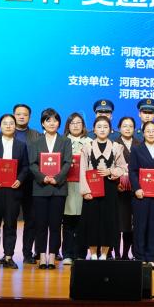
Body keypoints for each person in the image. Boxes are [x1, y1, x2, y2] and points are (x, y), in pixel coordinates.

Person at [0, 114, 30, 269]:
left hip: (13, 191)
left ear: (15, 126)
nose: (8, 126)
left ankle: (8, 257)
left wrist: (19, 180)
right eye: (5, 123)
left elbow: (25, 167)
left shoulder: (21, 145)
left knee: (10, 225)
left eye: (11, 123)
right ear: (0, 126)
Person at [27, 108, 73, 269]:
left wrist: (57, 178)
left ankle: (52, 256)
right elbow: (32, 163)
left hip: (58, 188)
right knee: (40, 225)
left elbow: (68, 162)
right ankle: (41, 256)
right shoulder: (35, 142)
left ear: (59, 123)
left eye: (55, 120)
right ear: (42, 123)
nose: (52, 123)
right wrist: (43, 177)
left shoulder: (65, 141)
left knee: (55, 225)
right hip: (40, 188)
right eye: (48, 120)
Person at [79, 116, 128, 260]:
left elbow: (122, 167)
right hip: (91, 189)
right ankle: (93, 253)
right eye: (99, 127)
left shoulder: (116, 147)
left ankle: (105, 254)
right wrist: (85, 191)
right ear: (93, 130)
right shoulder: (87, 147)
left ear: (110, 130)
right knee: (92, 220)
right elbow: (82, 170)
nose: (102, 129)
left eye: (105, 127)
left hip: (110, 188)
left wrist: (110, 171)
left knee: (109, 220)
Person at [130, 121, 154, 266]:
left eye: (153, 131)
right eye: (148, 131)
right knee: (140, 226)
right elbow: (132, 171)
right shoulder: (136, 149)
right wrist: (137, 188)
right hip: (141, 193)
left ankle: (151, 257)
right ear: (143, 133)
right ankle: (139, 257)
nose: (151, 133)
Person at [13, 103, 43, 263]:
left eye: (25, 114)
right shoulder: (6, 132)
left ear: (29, 117)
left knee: (31, 220)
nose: (21, 117)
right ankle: (7, 254)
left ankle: (27, 253)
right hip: (12, 182)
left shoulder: (36, 135)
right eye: (18, 114)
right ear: (14, 115)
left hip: (31, 182)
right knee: (10, 219)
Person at [62, 113, 91, 265]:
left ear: (83, 125)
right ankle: (67, 254)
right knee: (67, 222)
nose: (75, 125)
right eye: (72, 123)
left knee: (82, 222)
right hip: (66, 187)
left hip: (84, 187)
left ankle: (81, 253)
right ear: (68, 125)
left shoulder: (90, 142)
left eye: (78, 122)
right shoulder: (62, 141)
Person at [114, 115, 140, 259]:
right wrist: (116, 183)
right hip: (118, 190)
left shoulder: (139, 144)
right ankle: (117, 253)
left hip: (135, 191)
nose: (128, 129)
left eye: (130, 126)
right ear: (119, 128)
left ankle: (126, 253)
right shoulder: (114, 144)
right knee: (118, 224)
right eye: (124, 126)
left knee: (131, 225)